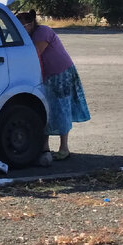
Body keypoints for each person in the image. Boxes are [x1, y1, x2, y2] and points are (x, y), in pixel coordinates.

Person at [16, 10, 89, 161]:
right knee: (46, 110)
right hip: (46, 76)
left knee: (61, 109)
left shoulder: (43, 31)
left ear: (31, 23)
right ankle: (44, 147)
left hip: (60, 74)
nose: (20, 27)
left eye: (22, 24)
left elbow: (35, 54)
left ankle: (64, 148)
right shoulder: (28, 35)